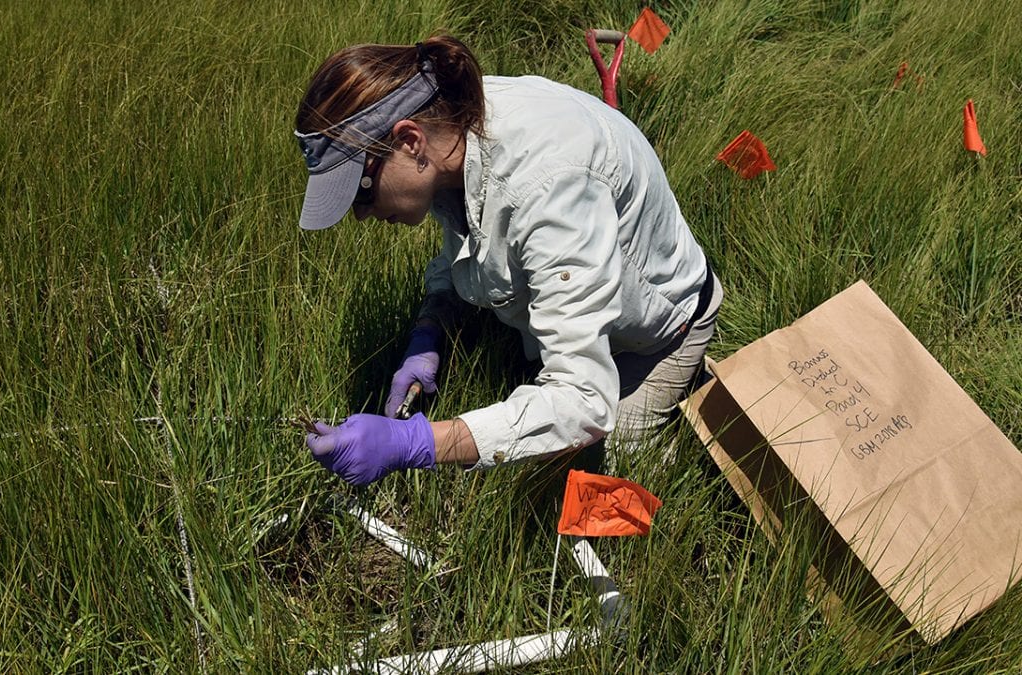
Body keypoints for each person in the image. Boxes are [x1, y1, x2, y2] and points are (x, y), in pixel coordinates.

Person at [294, 35, 721, 486]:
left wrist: (415, 444)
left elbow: (583, 401)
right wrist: (429, 330)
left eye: (359, 192)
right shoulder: (451, 120)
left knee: (596, 479)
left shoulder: (549, 186)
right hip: (577, 298)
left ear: (408, 140)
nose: (361, 215)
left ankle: (693, 431)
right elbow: (467, 235)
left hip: (656, 334)